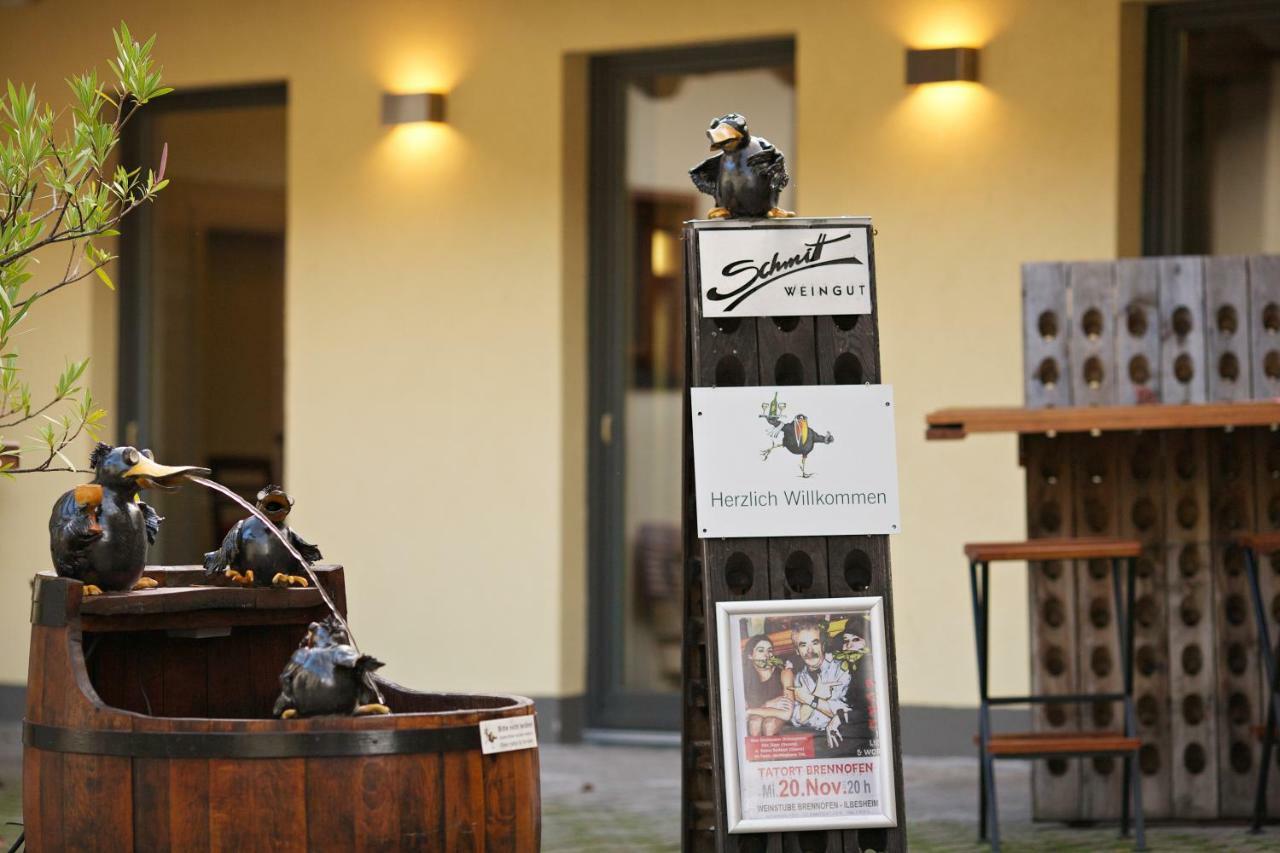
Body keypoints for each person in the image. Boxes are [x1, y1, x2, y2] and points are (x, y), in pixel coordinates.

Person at [788, 619, 851, 749]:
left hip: (842, 736)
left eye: (815, 643)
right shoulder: (799, 678)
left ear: (822, 645)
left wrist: (808, 698)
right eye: (803, 645)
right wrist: (818, 695)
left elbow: (844, 712)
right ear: (797, 651)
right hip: (811, 739)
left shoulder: (841, 668)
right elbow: (799, 718)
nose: (810, 650)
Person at [741, 634, 794, 736]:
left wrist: (751, 710)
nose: (767, 655)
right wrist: (768, 704)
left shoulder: (785, 673)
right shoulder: (746, 678)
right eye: (761, 650)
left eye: (769, 651)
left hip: (781, 722)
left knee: (769, 724)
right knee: (754, 722)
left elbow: (787, 714)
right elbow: (743, 712)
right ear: (750, 656)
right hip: (757, 719)